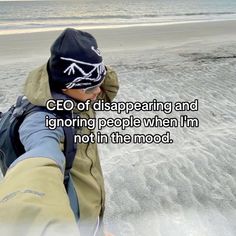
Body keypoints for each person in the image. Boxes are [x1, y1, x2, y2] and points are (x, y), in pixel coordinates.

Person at [0, 28, 119, 236]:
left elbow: (107, 91)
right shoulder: (42, 121)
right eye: (90, 88)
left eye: (97, 84)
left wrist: (98, 225)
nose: (97, 92)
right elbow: (39, 162)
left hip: (91, 216)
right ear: (65, 87)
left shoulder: (80, 96)